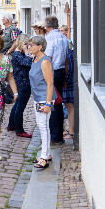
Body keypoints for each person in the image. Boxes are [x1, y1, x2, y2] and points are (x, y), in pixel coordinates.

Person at [28, 35, 54, 169]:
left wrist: (48, 103)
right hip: (37, 97)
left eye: (32, 45)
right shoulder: (34, 59)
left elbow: (50, 83)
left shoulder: (45, 61)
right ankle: (47, 153)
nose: (29, 47)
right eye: (29, 44)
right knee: (42, 125)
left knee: (43, 127)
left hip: (44, 98)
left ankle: (44, 157)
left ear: (40, 46)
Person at [44, 15, 69, 144]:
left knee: (52, 103)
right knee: (58, 103)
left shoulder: (49, 38)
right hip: (60, 72)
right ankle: (58, 134)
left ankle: (54, 136)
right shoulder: (64, 38)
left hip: (51, 72)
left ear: (47, 26)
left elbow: (48, 58)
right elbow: (66, 60)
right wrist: (64, 76)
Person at [7, 34, 34, 138]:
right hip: (23, 83)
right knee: (20, 107)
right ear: (24, 44)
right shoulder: (18, 55)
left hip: (21, 82)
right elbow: (29, 63)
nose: (29, 46)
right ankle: (19, 130)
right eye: (28, 44)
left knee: (17, 104)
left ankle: (11, 125)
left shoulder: (18, 54)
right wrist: (28, 53)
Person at [59, 25, 76, 139]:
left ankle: (72, 131)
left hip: (68, 81)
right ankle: (69, 129)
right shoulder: (64, 43)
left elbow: (69, 65)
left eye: (63, 31)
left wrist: (66, 80)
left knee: (70, 106)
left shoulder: (68, 44)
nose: (61, 33)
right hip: (66, 80)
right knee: (67, 105)